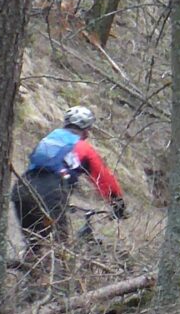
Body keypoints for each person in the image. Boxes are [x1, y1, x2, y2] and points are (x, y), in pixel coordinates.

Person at [12, 103, 128, 283]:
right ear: (87, 130)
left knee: (34, 244)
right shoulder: (83, 147)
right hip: (51, 193)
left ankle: (30, 286)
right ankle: (60, 290)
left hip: (22, 188)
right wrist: (118, 204)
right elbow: (103, 178)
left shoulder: (50, 138)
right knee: (60, 246)